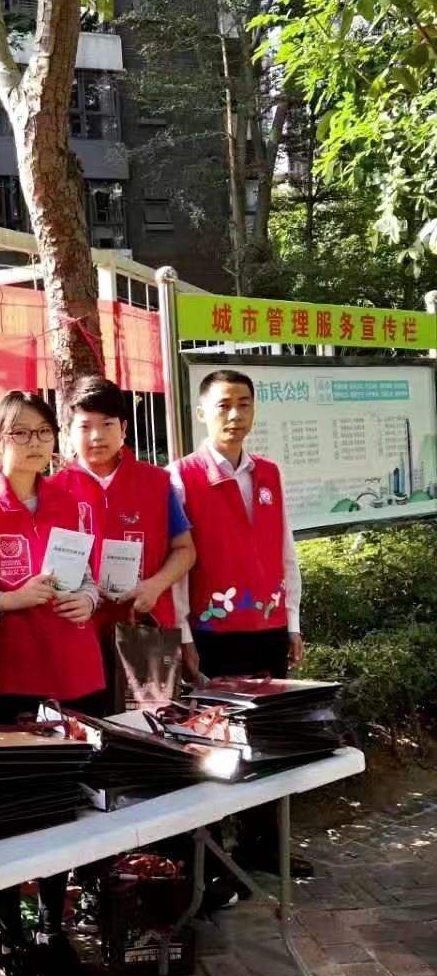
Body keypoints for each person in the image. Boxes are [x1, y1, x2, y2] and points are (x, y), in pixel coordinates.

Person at [0, 390, 102, 976]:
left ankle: (52, 930)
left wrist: (87, 598)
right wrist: (11, 599)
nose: (34, 443)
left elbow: (90, 577)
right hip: (10, 676)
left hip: (72, 669)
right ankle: (11, 939)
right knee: (13, 811)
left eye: (43, 432)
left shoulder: (70, 498)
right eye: (20, 433)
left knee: (63, 806)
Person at [170, 368, 312, 881]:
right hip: (214, 637)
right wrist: (184, 634)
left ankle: (262, 846)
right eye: (224, 405)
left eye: (244, 404)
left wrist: (292, 620)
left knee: (268, 740)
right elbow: (176, 562)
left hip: (268, 630)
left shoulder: (269, 473)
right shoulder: (181, 477)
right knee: (214, 746)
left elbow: (285, 549)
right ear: (202, 413)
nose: (235, 415)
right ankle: (216, 859)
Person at [54, 375, 195, 714]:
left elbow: (186, 549)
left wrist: (155, 585)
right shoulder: (54, 491)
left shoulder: (157, 482)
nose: (97, 436)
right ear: (68, 432)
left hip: (145, 628)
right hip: (80, 633)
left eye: (107, 424)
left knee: (150, 729)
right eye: (85, 426)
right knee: (87, 728)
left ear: (124, 429)